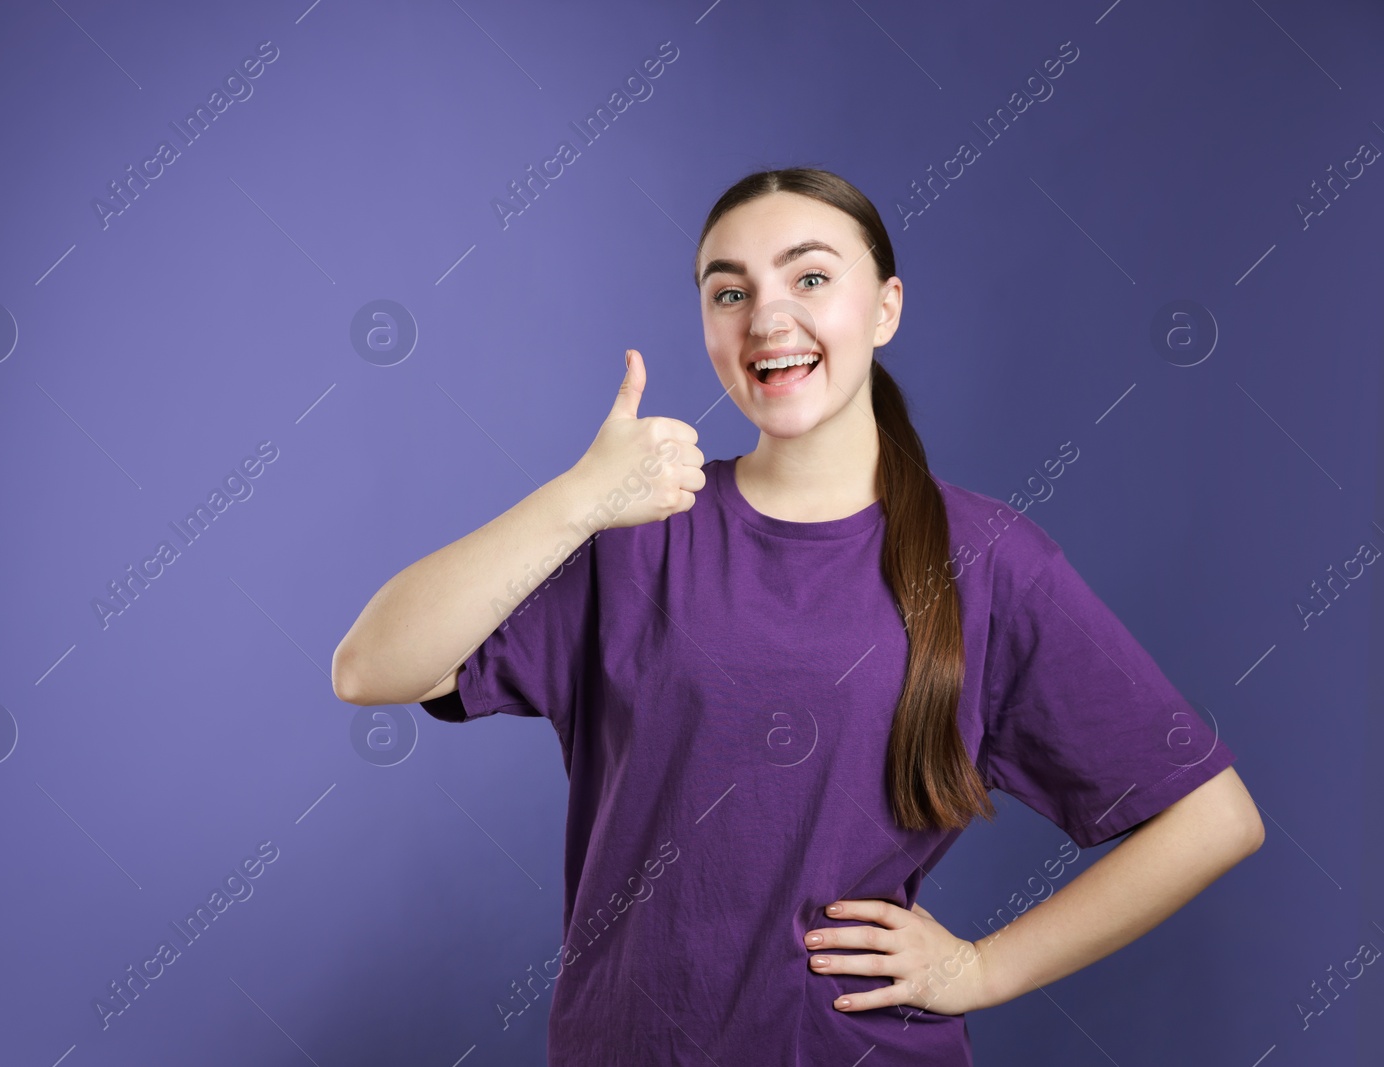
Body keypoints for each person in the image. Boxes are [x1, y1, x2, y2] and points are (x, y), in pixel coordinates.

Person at [331, 167, 1264, 1066]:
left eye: (811, 276)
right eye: (727, 292)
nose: (768, 317)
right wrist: (577, 497)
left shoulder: (989, 559)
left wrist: (982, 967)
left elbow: (1213, 818)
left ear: (886, 307)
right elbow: (371, 666)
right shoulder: (633, 535)